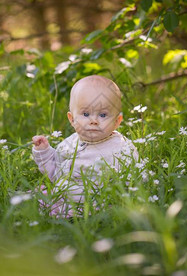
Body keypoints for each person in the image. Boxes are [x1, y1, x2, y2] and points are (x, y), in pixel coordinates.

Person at [32, 75, 138, 217]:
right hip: (63, 197)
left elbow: (135, 177)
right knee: (36, 196)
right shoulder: (69, 144)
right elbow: (55, 170)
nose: (93, 120)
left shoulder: (122, 148)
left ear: (117, 121)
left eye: (103, 115)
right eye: (86, 114)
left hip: (98, 204)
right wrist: (44, 151)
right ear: (72, 119)